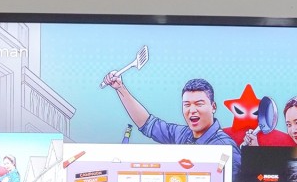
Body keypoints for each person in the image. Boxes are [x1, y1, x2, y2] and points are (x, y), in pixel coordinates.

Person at [102, 73, 241, 176]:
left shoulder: (225, 148)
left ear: (213, 107)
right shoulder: (182, 134)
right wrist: (120, 88)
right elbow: (148, 124)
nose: (192, 110)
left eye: (199, 104)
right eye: (187, 105)